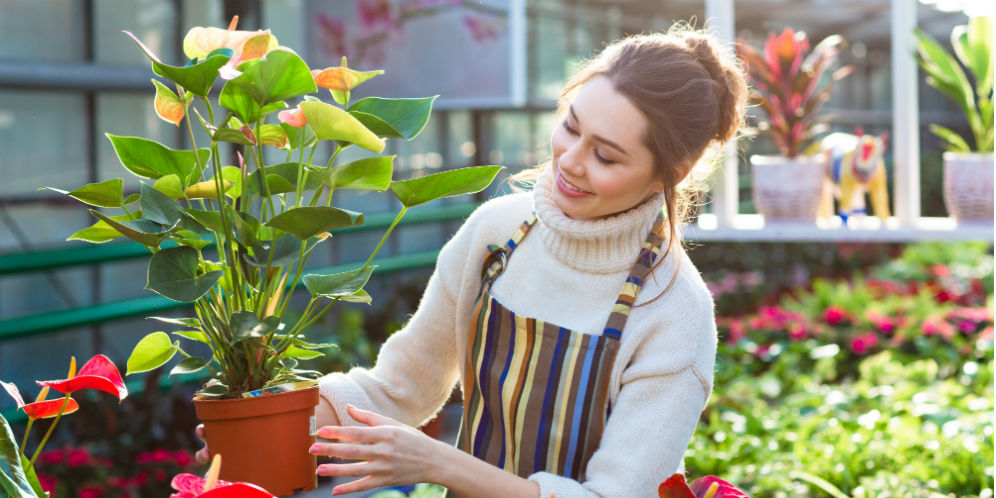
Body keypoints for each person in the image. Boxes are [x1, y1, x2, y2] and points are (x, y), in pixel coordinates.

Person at [197, 24, 747, 498]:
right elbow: (397, 389)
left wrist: (436, 462)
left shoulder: (673, 310)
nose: (570, 163)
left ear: (667, 174)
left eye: (605, 155)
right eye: (571, 127)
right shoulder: (498, 234)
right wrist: (264, 426)